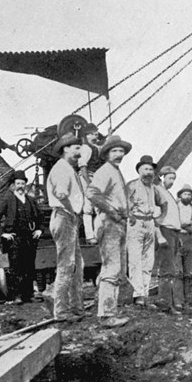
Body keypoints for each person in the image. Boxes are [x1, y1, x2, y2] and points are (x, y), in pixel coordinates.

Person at [86, 135, 131, 328]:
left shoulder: (115, 171)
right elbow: (92, 193)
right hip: (110, 222)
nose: (119, 154)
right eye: (114, 151)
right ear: (106, 153)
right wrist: (112, 212)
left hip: (119, 222)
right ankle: (106, 315)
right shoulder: (105, 171)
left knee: (116, 268)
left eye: (121, 151)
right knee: (111, 268)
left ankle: (107, 307)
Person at [45, 134, 86, 323]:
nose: (79, 152)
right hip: (64, 216)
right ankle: (61, 311)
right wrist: (72, 212)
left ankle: (77, 307)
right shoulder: (62, 169)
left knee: (77, 265)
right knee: (67, 265)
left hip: (68, 217)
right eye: (76, 148)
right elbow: (61, 194)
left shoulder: (69, 169)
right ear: (65, 149)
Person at [0, 170, 43, 304]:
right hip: (15, 239)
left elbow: (41, 216)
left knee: (29, 267)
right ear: (13, 184)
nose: (20, 186)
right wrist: (3, 233)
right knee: (15, 268)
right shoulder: (8, 199)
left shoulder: (31, 200)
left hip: (30, 238)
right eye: (18, 183)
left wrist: (39, 230)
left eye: (22, 183)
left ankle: (28, 294)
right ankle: (16, 296)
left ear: (25, 184)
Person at [126, 156, 163, 307]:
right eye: (145, 169)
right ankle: (137, 295)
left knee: (148, 261)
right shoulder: (132, 185)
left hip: (150, 222)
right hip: (136, 222)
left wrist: (159, 219)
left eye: (150, 169)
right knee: (135, 260)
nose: (148, 172)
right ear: (139, 171)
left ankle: (145, 294)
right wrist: (130, 216)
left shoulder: (154, 188)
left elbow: (163, 203)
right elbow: (124, 203)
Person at [156, 166, 185, 314]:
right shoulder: (158, 191)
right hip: (165, 230)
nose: (172, 182)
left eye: (174, 179)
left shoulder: (168, 194)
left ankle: (167, 302)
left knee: (171, 268)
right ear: (162, 177)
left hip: (173, 232)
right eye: (170, 178)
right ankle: (165, 303)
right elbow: (156, 216)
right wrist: (160, 235)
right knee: (167, 268)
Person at [177, 184, 192, 303]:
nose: (187, 196)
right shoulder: (176, 207)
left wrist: (186, 225)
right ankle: (177, 300)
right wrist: (186, 224)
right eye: (185, 193)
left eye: (189, 194)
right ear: (180, 195)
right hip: (177, 238)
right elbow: (176, 223)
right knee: (178, 271)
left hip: (189, 240)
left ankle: (186, 299)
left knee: (188, 271)